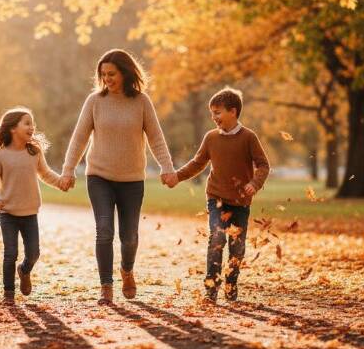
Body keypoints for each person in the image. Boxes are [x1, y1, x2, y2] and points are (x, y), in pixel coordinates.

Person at [59, 49, 177, 304]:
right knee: (104, 230)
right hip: (99, 176)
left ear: (125, 72)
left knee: (130, 236)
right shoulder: (94, 101)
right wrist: (68, 171)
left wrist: (167, 168)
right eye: (103, 74)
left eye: (111, 74)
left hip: (132, 180)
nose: (107, 79)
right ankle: (106, 287)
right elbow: (79, 139)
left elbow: (156, 138)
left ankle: (127, 270)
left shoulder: (142, 102)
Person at [172, 87, 270, 301]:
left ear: (233, 112)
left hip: (240, 201)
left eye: (217, 112)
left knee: (237, 246)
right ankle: (211, 286)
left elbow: (263, 165)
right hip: (216, 197)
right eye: (212, 113)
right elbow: (197, 163)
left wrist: (255, 183)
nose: (213, 117)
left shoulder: (248, 138)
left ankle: (231, 282)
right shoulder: (211, 138)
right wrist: (177, 176)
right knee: (217, 237)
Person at [0, 107, 62, 302]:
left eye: (32, 123)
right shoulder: (0, 155)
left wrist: (61, 182)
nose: (31, 127)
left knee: (34, 253)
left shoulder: (34, 152)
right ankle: (8, 293)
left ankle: (24, 271)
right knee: (10, 253)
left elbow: (45, 173)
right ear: (12, 128)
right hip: (8, 213)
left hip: (29, 213)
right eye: (27, 123)